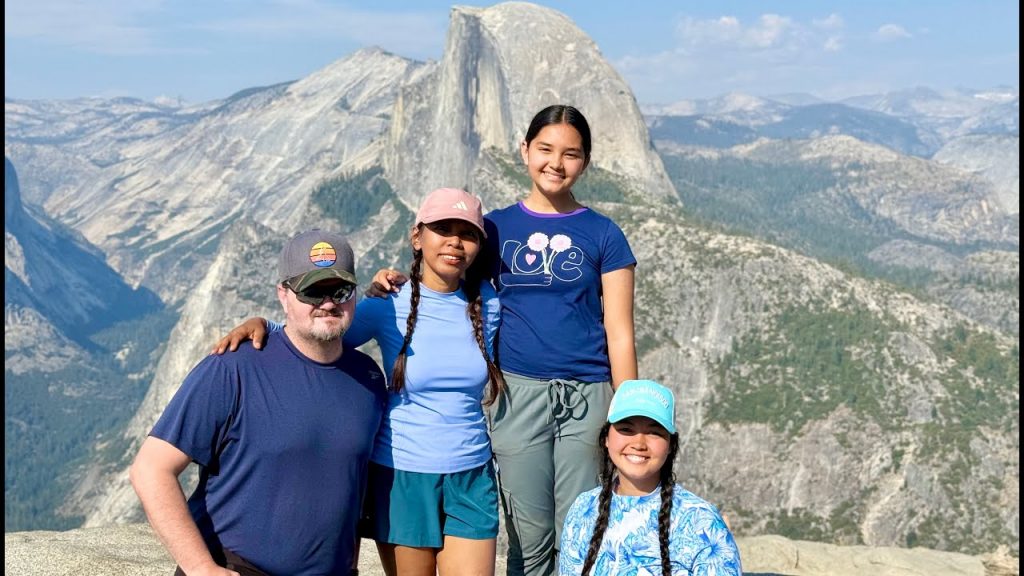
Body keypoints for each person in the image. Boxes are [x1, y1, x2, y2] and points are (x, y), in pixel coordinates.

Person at [371, 104, 637, 575]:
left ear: (586, 161)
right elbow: (443, 271)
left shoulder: (604, 234)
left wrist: (628, 409)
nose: (556, 163)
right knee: (529, 536)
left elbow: (619, 329)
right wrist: (387, 281)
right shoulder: (493, 229)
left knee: (579, 528)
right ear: (525, 151)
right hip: (517, 395)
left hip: (589, 393)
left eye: (571, 154)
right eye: (545, 149)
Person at [215, 189, 503, 576]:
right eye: (442, 229)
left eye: (466, 233)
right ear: (417, 237)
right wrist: (265, 326)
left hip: (473, 473)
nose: (454, 241)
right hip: (403, 474)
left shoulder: (489, 303)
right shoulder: (388, 304)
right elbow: (318, 336)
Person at [130, 229, 387, 576]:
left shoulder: (368, 378)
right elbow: (150, 469)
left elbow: (350, 487)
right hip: (238, 567)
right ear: (284, 295)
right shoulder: (233, 366)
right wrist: (201, 569)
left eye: (340, 291)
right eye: (313, 292)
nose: (328, 303)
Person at [558, 380, 742, 576]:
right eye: (626, 429)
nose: (639, 443)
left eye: (654, 432)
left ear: (671, 445)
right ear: (606, 438)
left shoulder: (701, 521)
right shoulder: (583, 508)